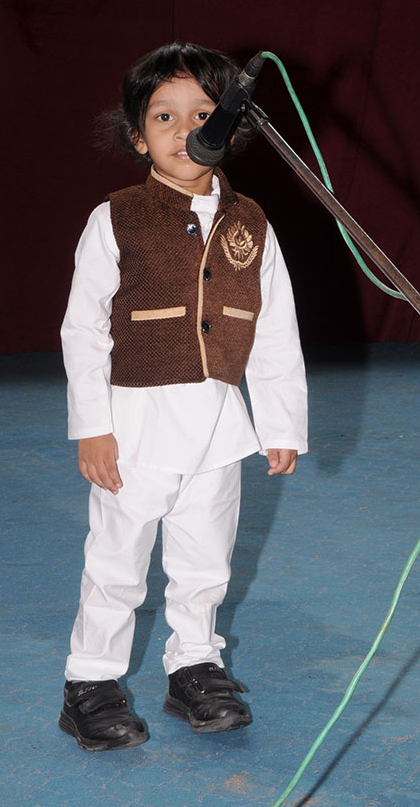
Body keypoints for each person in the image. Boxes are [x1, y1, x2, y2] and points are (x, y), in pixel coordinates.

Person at [59, 42, 308, 751]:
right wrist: (92, 427)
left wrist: (281, 423)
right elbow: (83, 328)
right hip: (134, 426)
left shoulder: (252, 223)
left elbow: (275, 328)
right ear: (138, 136)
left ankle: (195, 666)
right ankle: (91, 681)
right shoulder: (116, 218)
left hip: (218, 431)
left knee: (205, 561)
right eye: (163, 116)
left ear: (229, 125)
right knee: (118, 562)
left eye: (202, 114)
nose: (183, 130)